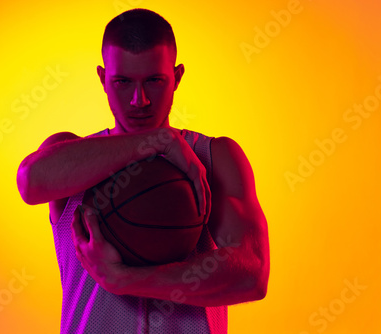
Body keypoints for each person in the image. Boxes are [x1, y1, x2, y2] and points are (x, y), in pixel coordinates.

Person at [16, 8, 269, 334]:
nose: (139, 100)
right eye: (123, 82)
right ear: (103, 78)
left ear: (177, 77)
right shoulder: (68, 153)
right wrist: (157, 140)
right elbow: (30, 182)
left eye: (154, 81)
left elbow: (251, 274)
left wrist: (126, 280)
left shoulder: (214, 157)